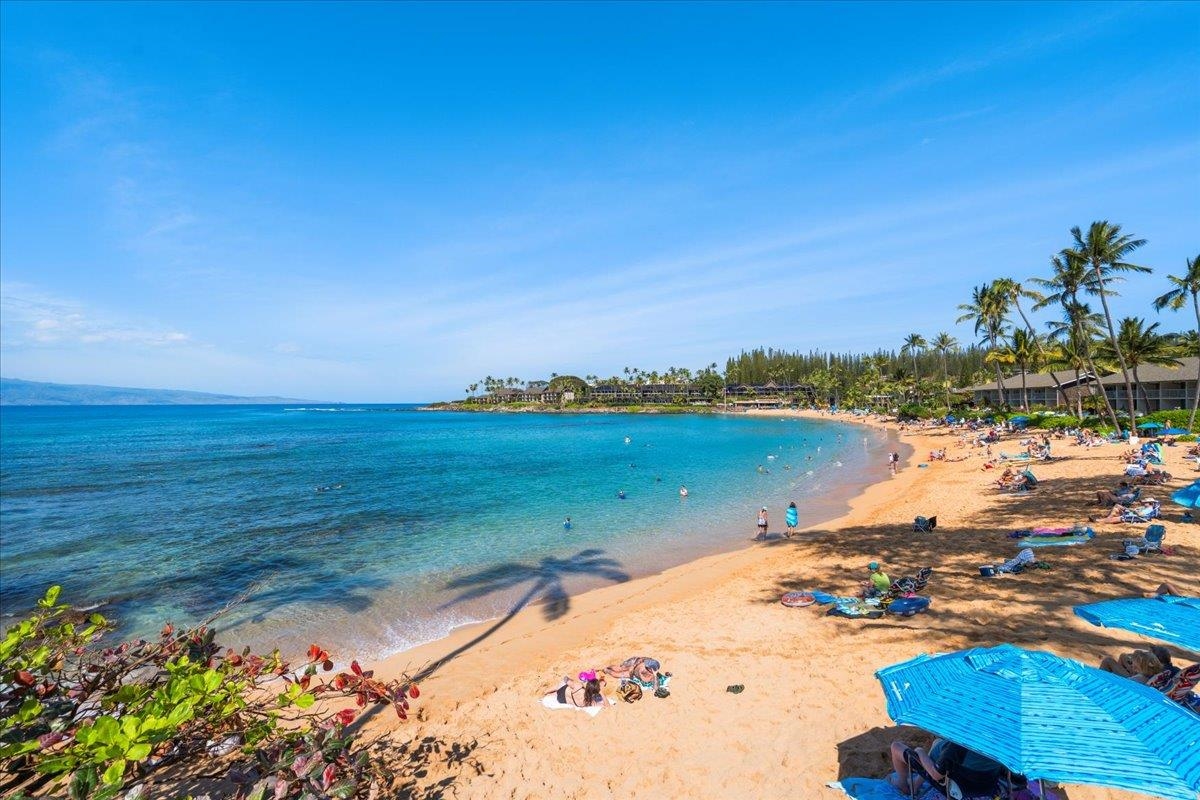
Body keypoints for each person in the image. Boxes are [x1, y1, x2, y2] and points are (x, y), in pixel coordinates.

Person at [889, 738, 1004, 799]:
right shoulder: (1002, 741)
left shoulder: (959, 745)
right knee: (937, 742)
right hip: (985, 784)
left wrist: (920, 752)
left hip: (957, 786)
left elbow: (936, 775)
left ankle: (903, 785)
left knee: (896, 746)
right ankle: (916, 784)